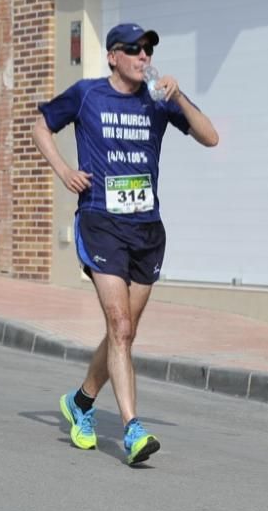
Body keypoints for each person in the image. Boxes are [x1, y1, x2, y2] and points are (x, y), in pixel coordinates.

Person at [33, 23, 219, 465]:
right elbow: (41, 125)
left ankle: (80, 402)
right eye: (134, 50)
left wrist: (178, 97)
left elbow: (210, 137)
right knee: (119, 327)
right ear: (113, 56)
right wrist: (63, 171)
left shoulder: (158, 101)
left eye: (149, 50)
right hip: (101, 222)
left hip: (147, 229)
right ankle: (134, 429)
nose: (144, 57)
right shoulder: (88, 94)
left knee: (126, 331)